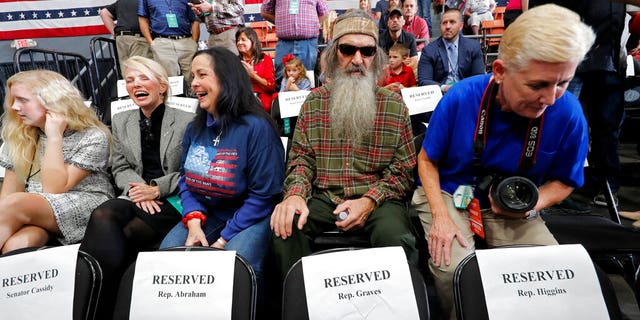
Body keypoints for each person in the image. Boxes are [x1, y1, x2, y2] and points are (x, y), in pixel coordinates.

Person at [411, 5, 595, 319]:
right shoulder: (460, 97)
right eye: (538, 85)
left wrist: (532, 205)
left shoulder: (568, 112)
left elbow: (565, 181)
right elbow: (427, 160)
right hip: (451, 193)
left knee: (556, 274)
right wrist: (440, 217)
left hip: (514, 205)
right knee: (455, 270)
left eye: (562, 82)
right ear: (499, 71)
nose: (550, 98)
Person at [270, 8, 418, 284]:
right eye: (348, 49)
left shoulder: (394, 106)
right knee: (285, 227)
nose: (357, 59)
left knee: (396, 238)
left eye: (367, 51)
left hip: (378, 199)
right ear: (334, 54)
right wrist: (295, 195)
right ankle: (304, 302)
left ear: (376, 56)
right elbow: (301, 161)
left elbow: (403, 171)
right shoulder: (313, 104)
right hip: (324, 196)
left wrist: (369, 200)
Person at [160, 47, 285, 297]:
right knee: (166, 259)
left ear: (226, 78)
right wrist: (194, 223)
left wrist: (222, 240)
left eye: (202, 74)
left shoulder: (256, 128)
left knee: (236, 268)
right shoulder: (195, 128)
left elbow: (264, 196)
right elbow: (187, 181)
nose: (194, 83)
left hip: (252, 216)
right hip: (209, 214)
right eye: (192, 76)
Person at [79, 56, 194, 319]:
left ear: (162, 86)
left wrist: (156, 189)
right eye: (130, 80)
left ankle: (103, 304)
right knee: (103, 214)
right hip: (136, 193)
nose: (135, 85)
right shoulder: (122, 121)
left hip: (175, 197)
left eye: (143, 78)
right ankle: (94, 296)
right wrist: (140, 190)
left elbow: (192, 170)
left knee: (130, 233)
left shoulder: (188, 120)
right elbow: (119, 167)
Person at [0, 70, 113, 253]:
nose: (14, 107)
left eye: (22, 100)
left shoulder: (92, 137)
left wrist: (54, 137)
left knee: (15, 203)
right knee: (18, 244)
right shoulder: (19, 136)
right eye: (13, 100)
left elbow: (54, 189)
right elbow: (8, 195)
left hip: (83, 203)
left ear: (51, 101)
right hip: (29, 209)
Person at [260, 0, 329, 88]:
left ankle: (308, 101)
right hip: (284, 43)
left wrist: (312, 24)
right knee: (281, 80)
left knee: (307, 79)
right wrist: (280, 21)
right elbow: (265, 11)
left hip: (308, 43)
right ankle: (281, 100)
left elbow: (324, 12)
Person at [417, 8, 485, 93]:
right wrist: (444, 88)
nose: (447, 26)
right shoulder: (429, 50)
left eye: (452, 22)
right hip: (441, 95)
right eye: (444, 23)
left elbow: (479, 78)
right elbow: (424, 81)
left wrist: (462, 88)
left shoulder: (473, 47)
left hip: (467, 92)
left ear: (461, 26)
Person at [138, 0, 200, 85]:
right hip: (162, 42)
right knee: (169, 80)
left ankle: (194, 96)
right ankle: (172, 98)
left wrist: (194, 42)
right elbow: (143, 19)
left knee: (193, 76)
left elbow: (194, 20)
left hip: (186, 41)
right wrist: (151, 43)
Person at [99, 0, 152, 78]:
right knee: (141, 72)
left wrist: (116, 35)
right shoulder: (147, 1)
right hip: (138, 39)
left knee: (127, 73)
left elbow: (104, 13)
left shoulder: (122, 1)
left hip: (121, 39)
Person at [236, 27, 276, 112]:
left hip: (262, 96)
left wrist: (253, 75)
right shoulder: (234, 60)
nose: (239, 43)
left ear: (253, 41)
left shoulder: (265, 59)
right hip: (241, 96)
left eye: (243, 40)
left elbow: (271, 86)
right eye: (238, 40)